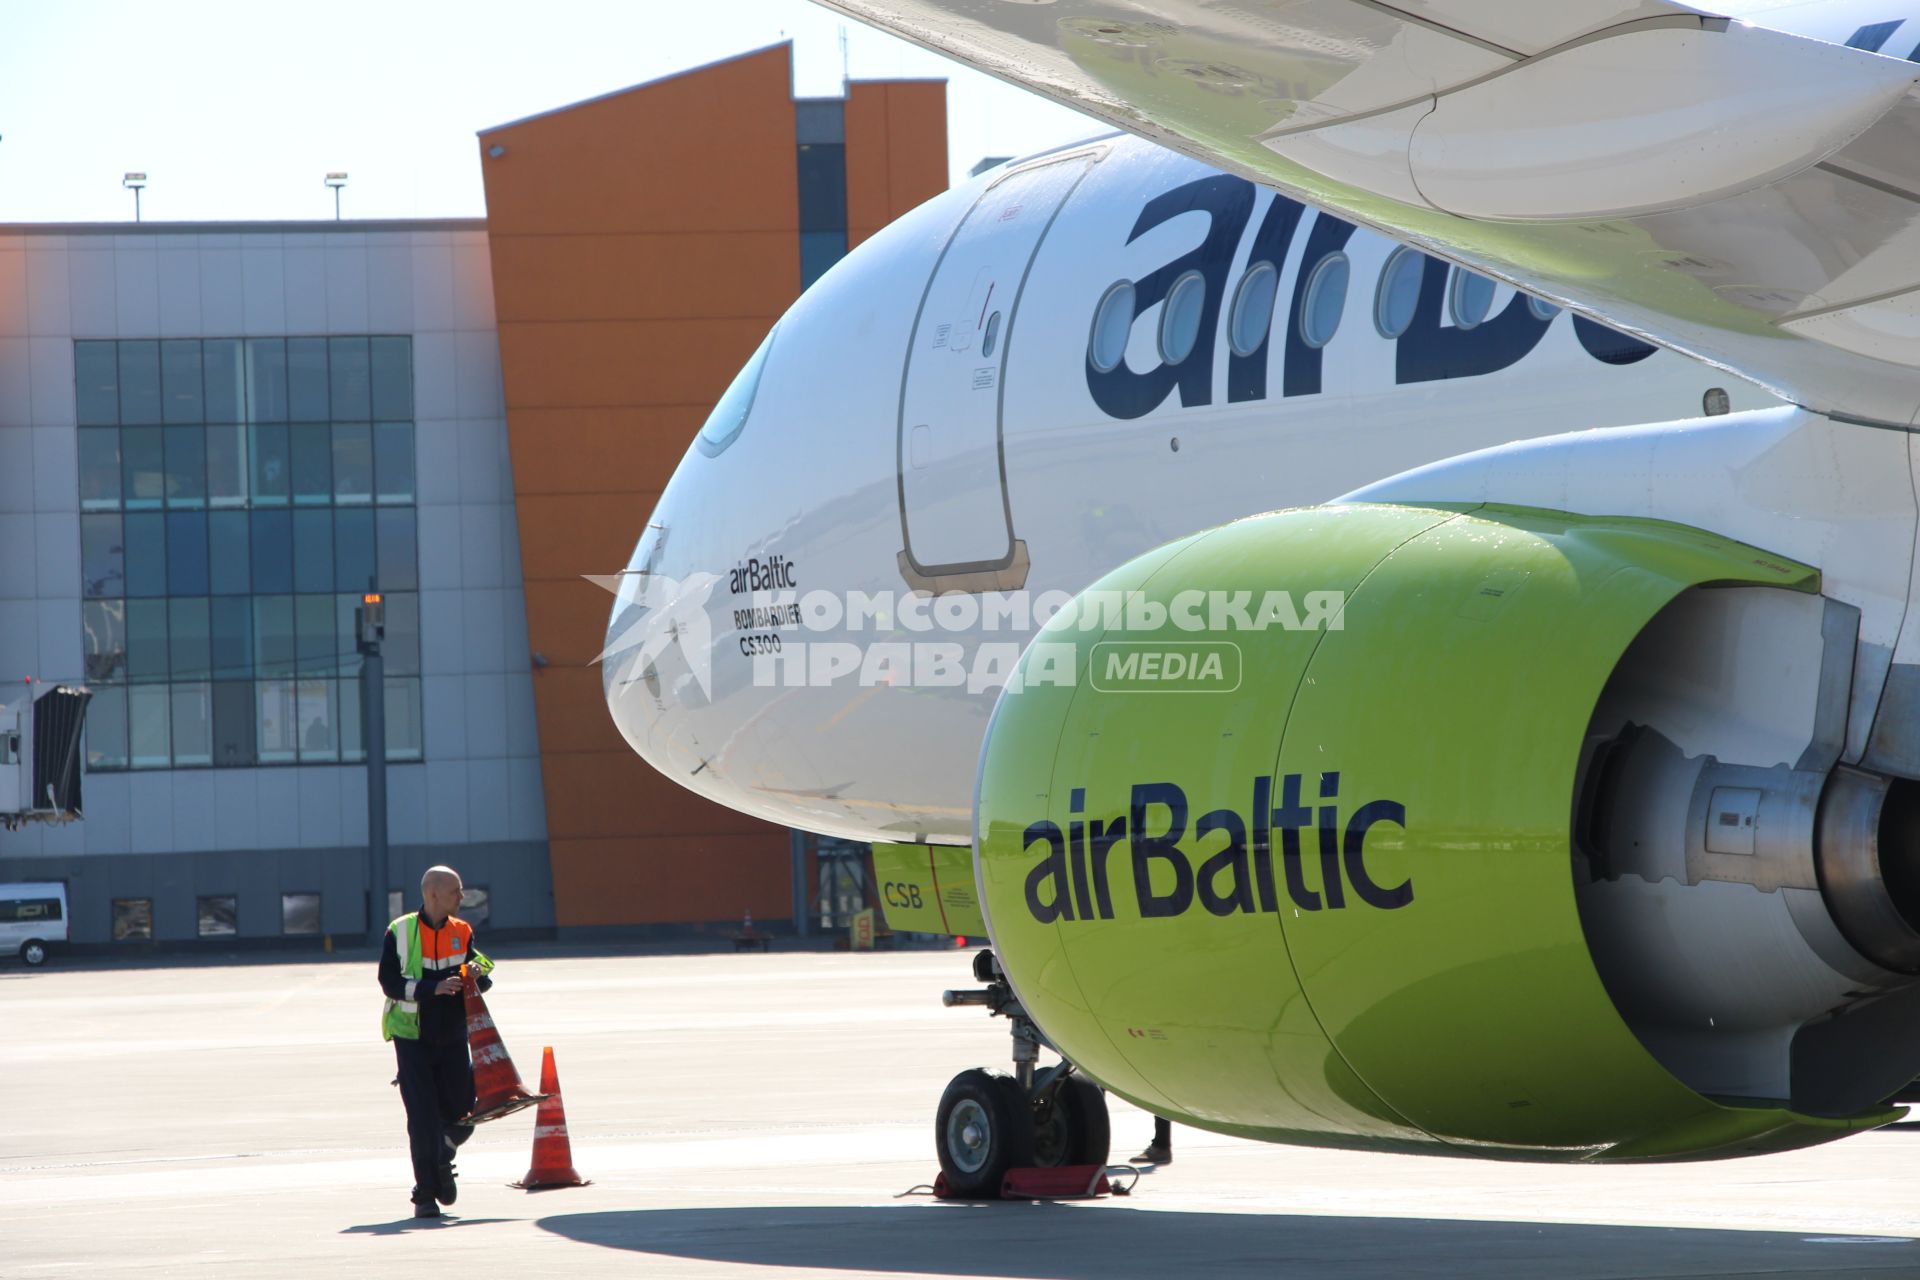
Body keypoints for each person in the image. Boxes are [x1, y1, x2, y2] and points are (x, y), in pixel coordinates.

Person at [378, 865, 494, 1219]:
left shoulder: (463, 930)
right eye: (456, 891)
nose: (462, 897)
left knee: (465, 1108)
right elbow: (389, 982)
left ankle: (443, 1155)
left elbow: (482, 968)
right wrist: (433, 988)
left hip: (453, 1035)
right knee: (423, 1116)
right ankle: (425, 1194)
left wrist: (476, 972)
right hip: (412, 1036)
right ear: (433, 895)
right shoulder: (400, 932)